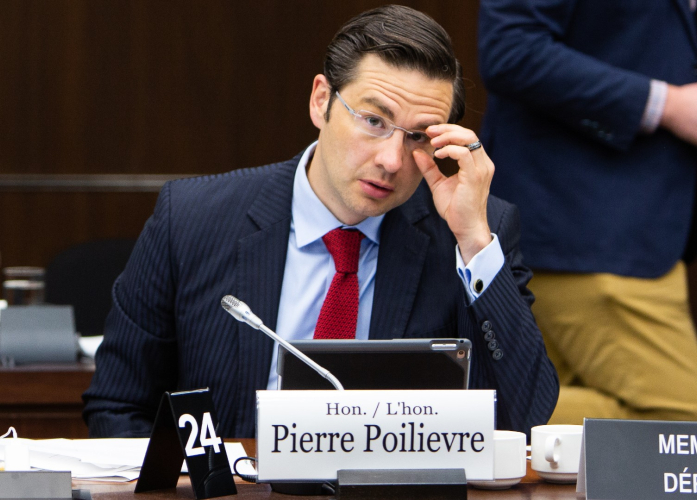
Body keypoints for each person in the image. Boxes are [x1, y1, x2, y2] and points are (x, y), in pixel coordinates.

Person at [83, 5, 558, 438]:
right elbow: (119, 406)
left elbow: (526, 416)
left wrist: (474, 241)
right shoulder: (191, 218)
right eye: (374, 121)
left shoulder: (467, 230)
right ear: (321, 101)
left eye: (417, 137)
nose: (392, 160)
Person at [478, 0, 697, 423]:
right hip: (588, 229)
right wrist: (666, 104)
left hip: (631, 228)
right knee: (683, 430)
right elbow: (511, 47)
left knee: (558, 472)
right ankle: (441, 422)